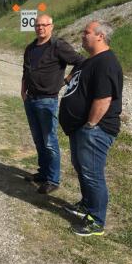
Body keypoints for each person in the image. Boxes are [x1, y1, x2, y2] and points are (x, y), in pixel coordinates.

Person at [59, 20, 123, 236]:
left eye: (86, 32)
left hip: (95, 130)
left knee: (92, 173)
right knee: (82, 169)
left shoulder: (106, 62)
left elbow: (104, 99)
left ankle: (97, 220)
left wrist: (90, 125)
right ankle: (86, 205)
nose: (82, 35)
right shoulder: (90, 61)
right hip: (80, 129)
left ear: (100, 36)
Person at [21, 14, 84, 194]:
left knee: (49, 141)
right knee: (38, 139)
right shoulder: (31, 48)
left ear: (51, 27)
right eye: (37, 25)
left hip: (47, 100)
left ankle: (53, 179)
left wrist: (67, 79)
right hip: (30, 99)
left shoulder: (58, 46)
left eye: (44, 25)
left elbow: (80, 61)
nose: (40, 28)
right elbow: (26, 71)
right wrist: (22, 90)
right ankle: (43, 173)